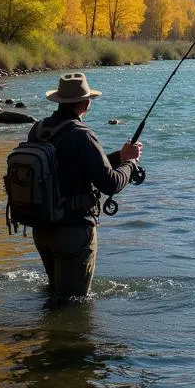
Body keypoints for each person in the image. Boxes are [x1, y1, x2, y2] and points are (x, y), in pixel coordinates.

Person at [28, 72, 142, 300]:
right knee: (72, 304)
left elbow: (73, 167)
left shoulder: (39, 130)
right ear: (86, 103)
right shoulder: (83, 135)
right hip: (73, 232)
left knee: (54, 296)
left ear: (60, 101)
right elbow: (110, 183)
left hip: (42, 228)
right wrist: (130, 164)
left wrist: (119, 156)